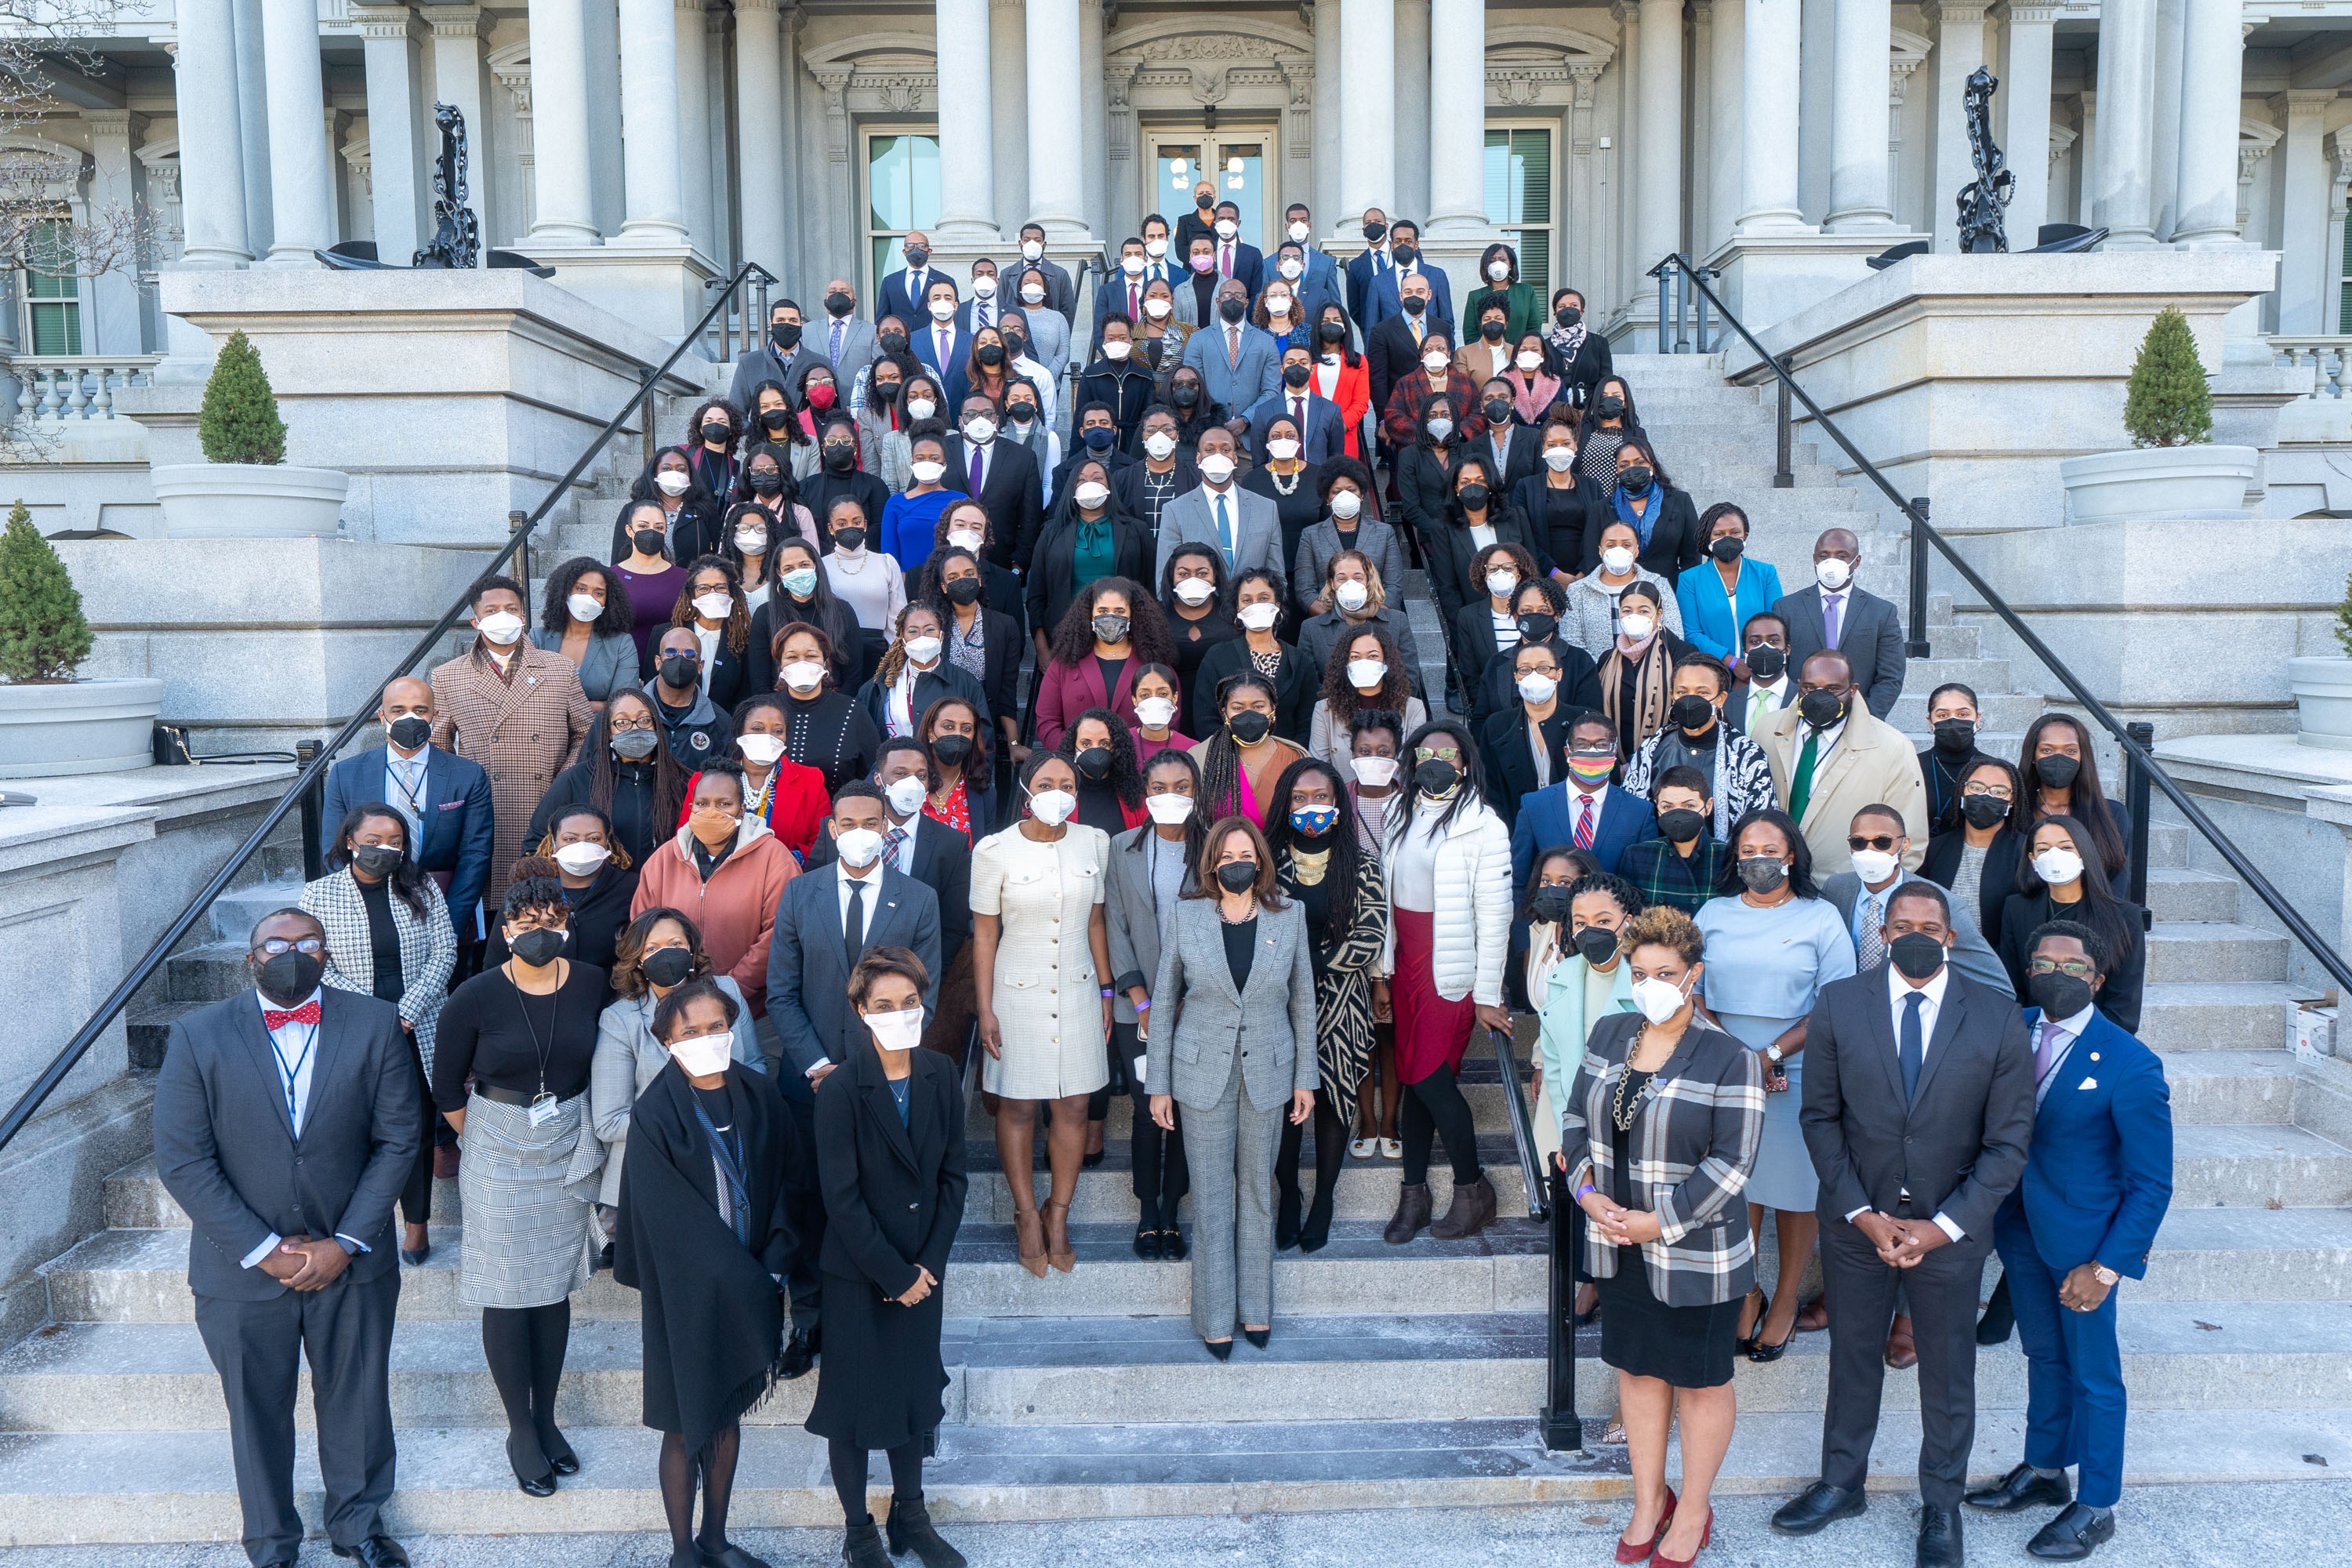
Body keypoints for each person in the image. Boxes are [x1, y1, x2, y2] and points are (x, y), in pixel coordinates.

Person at [1777, 879, 2035, 1568]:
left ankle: (1942, 1506)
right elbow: (1820, 1118)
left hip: (1950, 1234)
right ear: (1883, 934)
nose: (1916, 934)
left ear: (1951, 937)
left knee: (1948, 1374)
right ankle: (1841, 1483)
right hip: (1857, 1223)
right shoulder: (1839, 1004)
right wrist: (1862, 1213)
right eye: (1902, 924)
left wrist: (1943, 1226)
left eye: (1931, 924)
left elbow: (2009, 1143)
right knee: (1852, 1356)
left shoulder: (1998, 1014)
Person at [153, 909, 419, 1568]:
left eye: (307, 942)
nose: (291, 952)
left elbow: (399, 1138)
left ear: (328, 955)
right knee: (256, 1412)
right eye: (276, 942)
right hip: (239, 1269)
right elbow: (183, 1158)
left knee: (357, 1399)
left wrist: (347, 1240)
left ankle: (358, 1527)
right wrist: (263, 1250)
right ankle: (271, 1542)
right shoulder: (198, 1035)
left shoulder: (377, 1023)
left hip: (351, 1260)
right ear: (251, 957)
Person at [1563, 903, 1765, 1568]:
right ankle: (1650, 1501)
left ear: (1693, 975)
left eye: (1665, 972)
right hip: (1616, 1244)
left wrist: (1659, 1221)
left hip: (1696, 1252)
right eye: (1639, 970)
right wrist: (1588, 1196)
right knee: (1640, 1371)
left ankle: (1696, 1510)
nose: (1649, 983)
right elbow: (1574, 1122)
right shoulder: (1610, 1030)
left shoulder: (1729, 1055)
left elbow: (1733, 1164)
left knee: (1701, 1382)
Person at [1964, 920, 2173, 1562]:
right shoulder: (2011, 1026)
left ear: (2098, 978)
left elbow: (2152, 1183)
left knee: (2095, 1374)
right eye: (2044, 964)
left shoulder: (2131, 1064)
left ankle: (2098, 1504)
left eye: (2073, 967)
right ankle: (2046, 1469)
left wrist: (2107, 1266)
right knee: (2043, 1355)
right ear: (2028, 971)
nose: (2057, 976)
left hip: (2084, 1244)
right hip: (2020, 1226)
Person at [612, 977, 801, 1568]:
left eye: (716, 1026)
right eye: (690, 1031)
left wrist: (773, 1261)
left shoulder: (760, 1093)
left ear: (733, 1027)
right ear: (667, 1040)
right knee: (683, 1422)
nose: (706, 1038)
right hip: (685, 1294)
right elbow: (666, 1215)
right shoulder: (653, 1112)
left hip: (754, 1280)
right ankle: (681, 1551)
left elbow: (791, 1181)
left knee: (724, 1413)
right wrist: (739, 1276)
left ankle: (716, 1539)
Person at [432, 860, 606, 1497]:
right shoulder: (475, 996)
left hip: (568, 1140)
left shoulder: (591, 985)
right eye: (527, 921)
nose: (540, 930)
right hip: (498, 1147)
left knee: (553, 1285)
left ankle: (548, 1416)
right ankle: (519, 1428)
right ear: (506, 929)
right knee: (509, 1288)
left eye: (552, 920)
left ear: (567, 923)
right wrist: (487, 1134)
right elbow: (447, 1086)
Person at [800, 941, 969, 1559]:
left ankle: (912, 1517)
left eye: (910, 1002)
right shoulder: (842, 1089)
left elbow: (954, 1177)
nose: (900, 1013)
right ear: (862, 1011)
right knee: (851, 1408)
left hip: (923, 1271)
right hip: (862, 1275)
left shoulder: (941, 1073)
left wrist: (928, 1265)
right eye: (885, 1004)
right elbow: (840, 1200)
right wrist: (894, 1274)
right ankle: (857, 1531)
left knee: (913, 1396)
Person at [1147, 815, 1318, 1355]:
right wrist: (1159, 1085)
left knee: (1257, 1196)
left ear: (1261, 860)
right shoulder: (1186, 916)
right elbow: (1165, 999)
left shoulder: (1290, 916)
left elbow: (1303, 1003)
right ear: (1212, 865)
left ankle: (1256, 1310)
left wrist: (1305, 1080)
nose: (1235, 864)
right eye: (1225, 858)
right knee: (1213, 1196)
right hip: (1200, 1074)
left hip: (1269, 1070)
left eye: (1245, 854)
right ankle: (1216, 1315)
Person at [1695, 808, 1858, 1361]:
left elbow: (1837, 1003)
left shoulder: (1820, 918)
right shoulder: (1714, 912)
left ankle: (1785, 1299)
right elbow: (1693, 992)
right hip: (1722, 1068)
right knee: (1735, 1188)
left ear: (1791, 856)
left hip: (1799, 1070)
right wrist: (1737, 1055)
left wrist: (1768, 1055)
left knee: (1794, 1191)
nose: (1758, 859)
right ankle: (1746, 1290)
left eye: (1770, 849)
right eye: (1747, 850)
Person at [971, 753, 1114, 1276]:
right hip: (1015, 990)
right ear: (1028, 791)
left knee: (1076, 1104)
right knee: (1019, 1107)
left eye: (1067, 783)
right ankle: (1026, 1214)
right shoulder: (994, 850)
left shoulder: (1093, 842)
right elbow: (986, 932)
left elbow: (1097, 922)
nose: (1058, 791)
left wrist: (1105, 987)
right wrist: (985, 1006)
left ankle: (1059, 1214)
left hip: (1077, 987)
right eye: (1046, 782)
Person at [303, 804, 458, 1266]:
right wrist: (376, 1018)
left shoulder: (420, 885)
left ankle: (417, 1227)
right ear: (350, 841)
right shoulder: (319, 895)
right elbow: (318, 963)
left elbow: (445, 950)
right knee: (357, 1129)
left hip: (419, 1026)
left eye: (395, 841)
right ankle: (359, 1221)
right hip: (355, 1029)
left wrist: (406, 1013)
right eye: (373, 841)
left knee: (412, 1130)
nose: (384, 850)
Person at [1381, 719, 1514, 1244]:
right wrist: (1382, 972)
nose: (1438, 759)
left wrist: (1486, 993)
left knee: (1431, 1079)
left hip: (1450, 966)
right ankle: (1413, 1194)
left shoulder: (1484, 824)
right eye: (1427, 750)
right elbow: (1387, 900)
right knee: (1413, 1081)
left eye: (1449, 753)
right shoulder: (1398, 810)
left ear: (1465, 763)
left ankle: (1472, 1187)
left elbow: (1495, 914)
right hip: (1406, 958)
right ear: (1413, 760)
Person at [1265, 760, 1388, 1252]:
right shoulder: (1266, 860)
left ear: (1338, 805)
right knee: (1281, 1103)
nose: (1310, 807)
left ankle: (1324, 1199)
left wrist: (1316, 964)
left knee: (1334, 1099)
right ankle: (1290, 1196)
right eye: (1299, 798)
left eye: (1320, 797)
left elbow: (1372, 933)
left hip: (1341, 1000)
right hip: (1275, 1000)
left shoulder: (1361, 862)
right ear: (1285, 803)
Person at [592, 909, 762, 1252]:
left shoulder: (725, 991)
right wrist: (692, 1122)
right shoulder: (621, 1019)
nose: (664, 954)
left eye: (675, 944)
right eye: (652, 949)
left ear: (692, 950)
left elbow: (755, 1066)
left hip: (732, 1156)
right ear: (637, 960)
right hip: (658, 1169)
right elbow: (609, 1123)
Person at [430, 575, 595, 906]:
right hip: (485, 808)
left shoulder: (559, 668)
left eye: (511, 609)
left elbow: (585, 733)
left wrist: (563, 782)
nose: (502, 616)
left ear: (523, 616)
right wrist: (462, 797)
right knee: (494, 904)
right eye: (491, 610)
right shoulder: (447, 675)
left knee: (546, 903)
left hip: (547, 802)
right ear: (475, 620)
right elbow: (440, 747)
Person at [321, 676, 494, 965]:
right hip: (369, 906)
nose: (409, 718)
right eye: (398, 710)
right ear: (381, 716)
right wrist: (358, 911)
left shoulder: (467, 775)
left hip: (441, 904)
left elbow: (475, 855)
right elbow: (334, 851)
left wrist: (448, 925)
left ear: (435, 717)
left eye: (420, 710)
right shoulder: (346, 774)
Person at [1105, 750, 1203, 1258]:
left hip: (1198, 1008)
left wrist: (1187, 999)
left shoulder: (1213, 849)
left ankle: (1173, 1209)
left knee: (1184, 1110)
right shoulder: (1121, 848)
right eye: (1161, 787)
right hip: (1136, 1012)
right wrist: (1143, 1003)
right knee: (1148, 1112)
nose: (1172, 796)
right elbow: (1114, 926)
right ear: (1146, 794)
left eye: (1182, 786)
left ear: (1196, 791)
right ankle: (1147, 1212)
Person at [630, 760, 800, 1022]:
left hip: (751, 1011)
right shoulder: (664, 859)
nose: (711, 812)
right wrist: (672, 989)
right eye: (702, 804)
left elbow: (778, 934)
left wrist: (731, 990)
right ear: (691, 808)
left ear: (742, 810)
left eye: (724, 804)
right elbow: (642, 929)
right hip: (672, 1006)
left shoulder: (775, 858)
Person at [1755, 648, 1931, 877]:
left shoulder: (1893, 747)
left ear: (1853, 690)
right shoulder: (1766, 729)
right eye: (1809, 688)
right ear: (1798, 685)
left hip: (1844, 893)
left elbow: (1911, 841)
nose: (1819, 697)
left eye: (1833, 689)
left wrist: (1868, 895)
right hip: (1771, 886)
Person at [1822, 804, 2013, 1000]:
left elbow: (1997, 985)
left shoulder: (1941, 904)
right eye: (1859, 842)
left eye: (1882, 842)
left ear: (1904, 845)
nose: (1869, 850)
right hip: (1846, 1009)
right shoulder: (1836, 889)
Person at [1524, 862, 1637, 1185]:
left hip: (1631, 1130)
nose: (1592, 930)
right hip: (1568, 1119)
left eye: (1603, 921)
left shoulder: (1648, 983)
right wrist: (1571, 1132)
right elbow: (1556, 1063)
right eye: (1581, 922)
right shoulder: (1562, 977)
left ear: (1627, 923)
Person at [1997, 815, 2148, 1034]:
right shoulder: (2016, 908)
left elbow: (2125, 1001)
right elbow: (2012, 982)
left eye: (2066, 847)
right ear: (2032, 859)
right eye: (2043, 849)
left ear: (2084, 854)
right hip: (2031, 1033)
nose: (2054, 855)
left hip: (2095, 1039)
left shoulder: (2125, 916)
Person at [1622, 652, 1777, 841]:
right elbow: (1632, 816)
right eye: (1682, 692)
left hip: (1723, 863)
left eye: (1702, 693)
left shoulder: (1746, 755)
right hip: (1659, 862)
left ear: (1721, 699)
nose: (1690, 700)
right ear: (1672, 696)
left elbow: (1760, 825)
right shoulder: (1651, 750)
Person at [528, 691, 691, 869]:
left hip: (662, 892)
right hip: (597, 894)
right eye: (622, 722)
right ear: (609, 733)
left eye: (644, 720)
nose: (635, 728)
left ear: (657, 727)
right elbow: (536, 842)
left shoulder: (682, 782)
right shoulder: (576, 780)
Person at [1510, 710, 1660, 884]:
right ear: (1568, 752)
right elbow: (1519, 878)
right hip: (1550, 910)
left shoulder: (1639, 812)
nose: (1592, 751)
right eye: (1582, 744)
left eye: (1602, 745)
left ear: (1614, 751)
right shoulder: (1534, 806)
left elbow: (1645, 882)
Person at [1775, 527, 1906, 720]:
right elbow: (1780, 669)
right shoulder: (1786, 608)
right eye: (1824, 555)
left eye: (1842, 556)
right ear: (1814, 559)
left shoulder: (1882, 612)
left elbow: (1891, 675)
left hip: (1859, 717)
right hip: (1799, 717)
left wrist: (1865, 718)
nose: (1831, 562)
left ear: (1857, 561)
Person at [493, 805, 641, 973]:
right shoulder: (527, 892)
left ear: (607, 843)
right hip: (535, 993)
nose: (582, 846)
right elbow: (495, 961)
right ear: (554, 844)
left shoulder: (633, 888)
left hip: (609, 994)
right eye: (570, 839)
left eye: (593, 839)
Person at [1033, 576, 1173, 750]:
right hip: (1078, 768)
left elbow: (1171, 717)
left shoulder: (1155, 663)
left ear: (1133, 614)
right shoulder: (1064, 663)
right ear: (1090, 613)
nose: (1111, 617)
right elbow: (1047, 722)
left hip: (1140, 767)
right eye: (1103, 610)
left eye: (1120, 611)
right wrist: (1076, 755)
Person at [1027, 457, 1153, 640]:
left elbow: (1149, 586)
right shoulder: (1051, 532)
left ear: (1109, 486)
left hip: (1124, 632)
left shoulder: (1136, 530)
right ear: (1072, 487)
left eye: (1097, 479)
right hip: (1064, 632)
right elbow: (1037, 592)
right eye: (1081, 480)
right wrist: (1041, 645)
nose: (1089, 484)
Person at [1189, 568, 1316, 743]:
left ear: (1277, 604)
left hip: (1287, 763)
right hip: (1230, 762)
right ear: (1238, 609)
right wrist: (1232, 755)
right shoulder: (1217, 657)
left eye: (1264, 598)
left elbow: (1306, 724)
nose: (1256, 605)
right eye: (1247, 600)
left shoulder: (1301, 662)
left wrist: (1289, 757)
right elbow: (1206, 719)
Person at [702, 693, 832, 862]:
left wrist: (782, 862)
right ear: (740, 732)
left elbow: (821, 844)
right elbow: (688, 835)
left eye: (778, 731)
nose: (768, 737)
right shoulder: (707, 781)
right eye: (757, 729)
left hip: (785, 880)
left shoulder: (811, 781)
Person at [2021, 712, 2135, 896]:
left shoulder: (2112, 814)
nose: (2059, 758)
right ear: (2033, 756)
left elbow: (2116, 881)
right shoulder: (2015, 810)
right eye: (2047, 750)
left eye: (2070, 751)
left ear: (2083, 757)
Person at [1920, 756, 2030, 946]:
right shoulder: (1935, 849)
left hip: (1994, 963)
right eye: (1976, 788)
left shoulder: (2024, 852)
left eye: (1999, 791)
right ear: (1962, 791)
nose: (1985, 796)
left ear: (2012, 800)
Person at [927, 542, 1024, 751]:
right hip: (938, 729)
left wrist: (1014, 742)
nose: (962, 580)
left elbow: (1007, 689)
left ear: (979, 579)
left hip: (982, 729)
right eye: (953, 577)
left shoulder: (1004, 626)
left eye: (968, 573)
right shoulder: (933, 626)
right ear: (944, 587)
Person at [856, 601, 992, 746]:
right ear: (903, 641)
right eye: (913, 631)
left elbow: (984, 742)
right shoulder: (879, 686)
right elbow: (862, 740)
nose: (922, 637)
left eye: (930, 630)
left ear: (942, 636)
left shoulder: (966, 683)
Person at [1154, 425, 1281, 578]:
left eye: (1226, 450)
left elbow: (1276, 574)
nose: (1218, 455)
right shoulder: (1175, 511)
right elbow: (1165, 577)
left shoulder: (1266, 508)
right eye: (1210, 450)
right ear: (1198, 458)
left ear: (1235, 458)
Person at [771, 622, 884, 790]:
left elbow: (874, 772)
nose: (802, 663)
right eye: (792, 657)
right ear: (780, 665)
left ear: (825, 662)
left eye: (811, 656)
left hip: (838, 814)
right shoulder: (761, 710)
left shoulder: (853, 712)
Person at [1475, 637, 1576, 826]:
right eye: (1525, 669)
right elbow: (1490, 788)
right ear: (1516, 677)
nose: (1534, 675)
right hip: (1516, 826)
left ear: (1559, 674)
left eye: (1543, 668)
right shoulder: (1497, 726)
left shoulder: (1582, 722)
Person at [1190, 670, 1309, 827]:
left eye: (1258, 706)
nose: (1248, 715)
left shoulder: (1295, 758)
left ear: (1273, 709)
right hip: (1221, 851)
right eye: (1238, 708)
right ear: (1225, 713)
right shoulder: (1200, 757)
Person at [750, 537, 864, 695]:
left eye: (804, 565)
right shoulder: (765, 614)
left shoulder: (842, 611)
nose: (798, 572)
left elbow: (854, 675)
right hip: (779, 706)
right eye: (789, 569)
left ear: (815, 566)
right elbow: (759, 680)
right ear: (779, 574)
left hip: (834, 701)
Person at [1676, 503, 1785, 666]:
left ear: (1745, 535)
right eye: (1719, 534)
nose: (1727, 538)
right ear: (1708, 538)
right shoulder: (1690, 579)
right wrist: (1731, 662)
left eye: (1735, 533)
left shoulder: (1765, 573)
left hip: (1760, 666)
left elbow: (1774, 623)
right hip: (1710, 667)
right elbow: (1691, 632)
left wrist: (1753, 662)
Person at [819, 494, 909, 684]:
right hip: (835, 652)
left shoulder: (886, 562)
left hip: (879, 656)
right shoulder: (820, 566)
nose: (850, 527)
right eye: (842, 524)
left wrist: (896, 660)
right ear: (831, 528)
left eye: (856, 521)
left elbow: (898, 617)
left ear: (865, 524)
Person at [1563, 521, 1682, 662]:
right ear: (1600, 551)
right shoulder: (1578, 590)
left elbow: (1674, 634)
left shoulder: (1659, 585)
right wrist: (1601, 669)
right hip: (1596, 676)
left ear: (1636, 551)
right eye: (1611, 545)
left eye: (1626, 545)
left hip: (1651, 675)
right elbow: (1571, 640)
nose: (1618, 551)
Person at [1599, 581, 1692, 760]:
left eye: (1643, 611)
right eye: (1627, 611)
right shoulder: (1606, 660)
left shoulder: (1682, 655)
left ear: (1659, 614)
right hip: (1616, 763)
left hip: (1666, 759)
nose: (1634, 617)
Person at [1309, 626, 1426, 768]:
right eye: (1355, 657)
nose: (1363, 662)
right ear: (1345, 665)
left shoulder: (1414, 709)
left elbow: (1412, 767)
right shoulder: (1325, 710)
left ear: (1386, 663)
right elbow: (1320, 767)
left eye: (1373, 656)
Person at [534, 557, 644, 706]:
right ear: (564, 592)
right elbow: (527, 698)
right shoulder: (537, 639)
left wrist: (558, 706)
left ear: (608, 601)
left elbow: (623, 704)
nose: (588, 598)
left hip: (598, 729)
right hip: (545, 728)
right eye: (581, 589)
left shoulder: (621, 644)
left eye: (598, 593)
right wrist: (597, 705)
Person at [1293, 460, 1402, 608]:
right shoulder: (1310, 535)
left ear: (1362, 494)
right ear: (1327, 498)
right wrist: (1332, 618)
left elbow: (1393, 587)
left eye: (1351, 490)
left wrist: (1369, 617)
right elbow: (1305, 590)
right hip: (1328, 621)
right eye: (1336, 492)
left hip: (1375, 623)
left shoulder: (1384, 532)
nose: (1344, 496)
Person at [1620, 766, 1726, 916]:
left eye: (1689, 806)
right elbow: (1627, 916)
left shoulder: (1727, 856)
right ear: (1657, 807)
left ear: (1708, 806)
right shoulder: (1638, 856)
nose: (1678, 814)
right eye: (1668, 807)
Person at [1160, 543, 1242, 737]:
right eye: (1184, 574)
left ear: (1215, 576)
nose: (1193, 580)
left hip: (1224, 711)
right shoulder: (1157, 616)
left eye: (1202, 573)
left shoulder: (1234, 615)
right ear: (1172, 577)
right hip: (1171, 713)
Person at [1181, 277, 1280, 423]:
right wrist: (1216, 421)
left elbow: (1271, 391)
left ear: (1246, 302)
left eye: (1239, 296)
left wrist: (1245, 420)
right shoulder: (1198, 339)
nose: (1232, 299)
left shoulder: (1266, 342)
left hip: (1251, 433)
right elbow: (1193, 386)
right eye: (1227, 295)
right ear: (1218, 301)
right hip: (1209, 429)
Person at [1240, 412, 1327, 572]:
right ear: (1267, 441)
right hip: (1267, 568)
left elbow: (1328, 525)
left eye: (1290, 435)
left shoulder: (1320, 476)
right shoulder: (1251, 480)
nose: (1283, 440)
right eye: (1276, 436)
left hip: (1312, 566)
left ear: (1299, 440)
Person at [1513, 414, 1599, 575]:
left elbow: (1600, 531)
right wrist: (1554, 573)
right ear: (1543, 449)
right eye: (1552, 445)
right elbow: (1522, 534)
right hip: (1540, 575)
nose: (1559, 449)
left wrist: (1583, 572)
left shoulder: (1592, 486)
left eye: (1566, 443)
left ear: (1576, 446)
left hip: (1587, 575)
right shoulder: (1525, 486)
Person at [643, 625, 733, 768]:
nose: (679, 659)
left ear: (700, 666)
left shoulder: (720, 723)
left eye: (689, 654)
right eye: (671, 652)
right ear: (658, 662)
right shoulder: (629, 712)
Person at [673, 555, 754, 711]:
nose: (713, 594)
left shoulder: (743, 641)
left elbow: (745, 696)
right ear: (691, 593)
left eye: (720, 587)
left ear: (731, 592)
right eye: (703, 588)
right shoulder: (667, 635)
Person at [878, 429, 960, 574]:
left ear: (944, 463)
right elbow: (889, 555)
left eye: (934, 458)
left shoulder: (961, 501)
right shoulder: (895, 503)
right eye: (921, 458)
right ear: (912, 462)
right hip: (908, 583)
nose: (927, 463)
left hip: (951, 580)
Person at [1113, 405, 1200, 540]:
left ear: (1178, 435)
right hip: (1138, 557)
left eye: (1168, 430)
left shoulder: (1196, 477)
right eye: (1151, 430)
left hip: (1181, 557)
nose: (1160, 435)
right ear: (1143, 435)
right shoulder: (1122, 478)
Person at [1062, 708, 1148, 838]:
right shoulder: (1059, 795)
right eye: (1086, 743)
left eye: (1104, 743)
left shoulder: (1136, 796)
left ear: (1117, 748)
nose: (1095, 750)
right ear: (1072, 746)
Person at [1914, 683, 1991, 827]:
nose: (1953, 721)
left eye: (1963, 714)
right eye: (1943, 715)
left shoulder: (1994, 769)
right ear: (1930, 721)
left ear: (1978, 718)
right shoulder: (1912, 767)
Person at [731, 296, 827, 410]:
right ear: (771, 324)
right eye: (780, 320)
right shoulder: (749, 363)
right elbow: (737, 411)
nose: (787, 325)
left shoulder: (821, 363)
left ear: (801, 325)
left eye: (793, 321)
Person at [1308, 303, 1372, 459]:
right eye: (1326, 321)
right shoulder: (1305, 359)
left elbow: (1361, 403)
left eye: (1337, 320)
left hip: (1345, 436)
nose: (1331, 324)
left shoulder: (1359, 361)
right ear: (1317, 325)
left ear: (1345, 326)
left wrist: (1337, 427)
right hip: (1310, 436)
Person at [1729, 612, 1795, 737]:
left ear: (1787, 650)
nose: (1765, 647)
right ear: (1745, 652)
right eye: (1755, 642)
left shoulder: (1803, 699)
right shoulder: (1727, 704)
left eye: (1774, 641)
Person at [1463, 240, 1544, 343]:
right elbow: (1470, 332)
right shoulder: (1475, 296)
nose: (1497, 264)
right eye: (1492, 261)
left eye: (1502, 260)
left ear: (1510, 265)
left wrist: (1523, 351)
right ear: (1486, 266)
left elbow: (1535, 326)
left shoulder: (1526, 291)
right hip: (1485, 356)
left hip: (1519, 355)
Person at [1546, 287, 1614, 407]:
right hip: (1553, 411)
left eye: (1573, 306)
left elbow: (1605, 380)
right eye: (1562, 306)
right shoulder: (1545, 345)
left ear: (1582, 311)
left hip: (1587, 410)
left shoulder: (1598, 343)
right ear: (1555, 313)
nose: (1568, 310)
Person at [1574, 374, 1647, 487]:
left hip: (1620, 499)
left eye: (1616, 396)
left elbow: (1644, 468)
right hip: (1586, 498)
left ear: (1626, 402)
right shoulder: (1581, 429)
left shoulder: (1637, 434)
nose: (1610, 400)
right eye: (1604, 396)